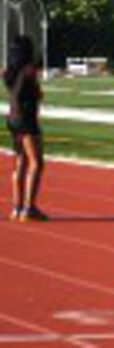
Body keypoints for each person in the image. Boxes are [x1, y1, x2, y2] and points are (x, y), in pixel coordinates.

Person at [3, 35, 47, 221]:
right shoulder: (29, 71)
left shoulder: (8, 72)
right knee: (36, 162)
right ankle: (29, 208)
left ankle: (16, 207)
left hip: (12, 118)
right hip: (26, 119)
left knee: (20, 162)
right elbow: (36, 94)